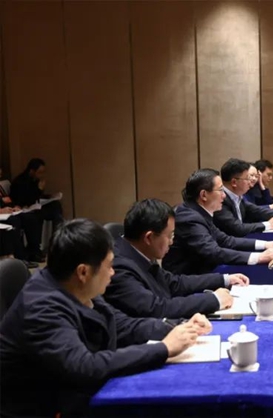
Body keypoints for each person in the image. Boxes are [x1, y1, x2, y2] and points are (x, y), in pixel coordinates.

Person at [0, 219, 209, 417]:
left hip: (76, 394)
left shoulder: (72, 284)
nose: (113, 273)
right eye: (109, 266)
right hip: (47, 408)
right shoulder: (42, 308)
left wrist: (176, 327)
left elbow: (123, 325)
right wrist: (164, 349)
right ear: (83, 272)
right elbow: (84, 367)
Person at [105, 199, 251, 319]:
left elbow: (174, 283)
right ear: (149, 238)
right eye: (170, 235)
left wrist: (224, 279)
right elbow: (155, 308)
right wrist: (214, 300)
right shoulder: (118, 268)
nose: (172, 242)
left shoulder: (140, 252)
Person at [162, 169, 273, 275]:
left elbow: (226, 240)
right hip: (188, 280)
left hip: (203, 271)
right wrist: (259, 257)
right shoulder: (189, 218)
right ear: (204, 195)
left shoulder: (199, 212)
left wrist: (265, 244)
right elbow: (214, 252)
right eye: (220, 190)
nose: (224, 196)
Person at [215, 158, 273, 237]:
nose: (250, 181)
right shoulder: (220, 200)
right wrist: (268, 225)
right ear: (234, 182)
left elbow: (257, 210)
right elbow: (237, 228)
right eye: (247, 178)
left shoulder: (237, 197)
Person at [9, 158, 64, 262]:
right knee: (34, 218)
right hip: (24, 209)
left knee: (56, 205)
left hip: (35, 206)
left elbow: (36, 198)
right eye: (40, 172)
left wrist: (48, 196)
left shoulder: (35, 180)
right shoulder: (20, 182)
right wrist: (39, 189)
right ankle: (34, 251)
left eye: (43, 172)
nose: (42, 175)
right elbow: (26, 200)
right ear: (32, 171)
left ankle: (57, 239)